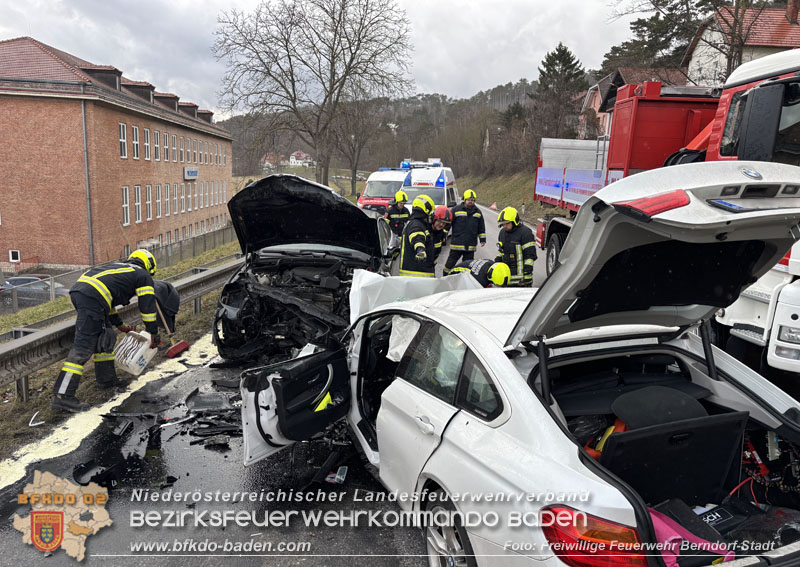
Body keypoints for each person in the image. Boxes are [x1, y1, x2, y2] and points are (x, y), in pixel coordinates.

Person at [51, 249, 161, 412]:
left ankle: (107, 380)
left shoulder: (120, 269)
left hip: (85, 293)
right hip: (91, 297)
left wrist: (119, 324)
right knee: (83, 348)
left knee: (106, 336)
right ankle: (62, 396)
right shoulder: (142, 275)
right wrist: (153, 332)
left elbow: (106, 301)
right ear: (149, 267)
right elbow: (147, 307)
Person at [444, 189, 486, 275]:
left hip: (470, 246)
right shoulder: (456, 210)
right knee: (449, 264)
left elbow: (481, 227)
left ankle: (465, 280)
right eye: (469, 200)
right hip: (457, 244)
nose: (471, 202)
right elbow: (448, 224)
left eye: (473, 200)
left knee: (468, 267)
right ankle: (444, 276)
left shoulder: (478, 212)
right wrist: (443, 235)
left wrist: (482, 239)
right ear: (464, 199)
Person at [496, 206, 536, 287]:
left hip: (522, 280)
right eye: (503, 224)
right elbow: (501, 252)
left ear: (515, 221)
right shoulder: (502, 233)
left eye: (507, 223)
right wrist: (496, 264)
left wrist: (527, 275)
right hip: (506, 278)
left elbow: (530, 256)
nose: (505, 226)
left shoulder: (525, 233)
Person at [399, 195, 436, 278]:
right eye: (431, 212)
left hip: (415, 274)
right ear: (425, 210)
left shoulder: (415, 222)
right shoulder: (416, 225)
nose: (432, 215)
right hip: (417, 275)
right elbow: (417, 238)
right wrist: (420, 250)